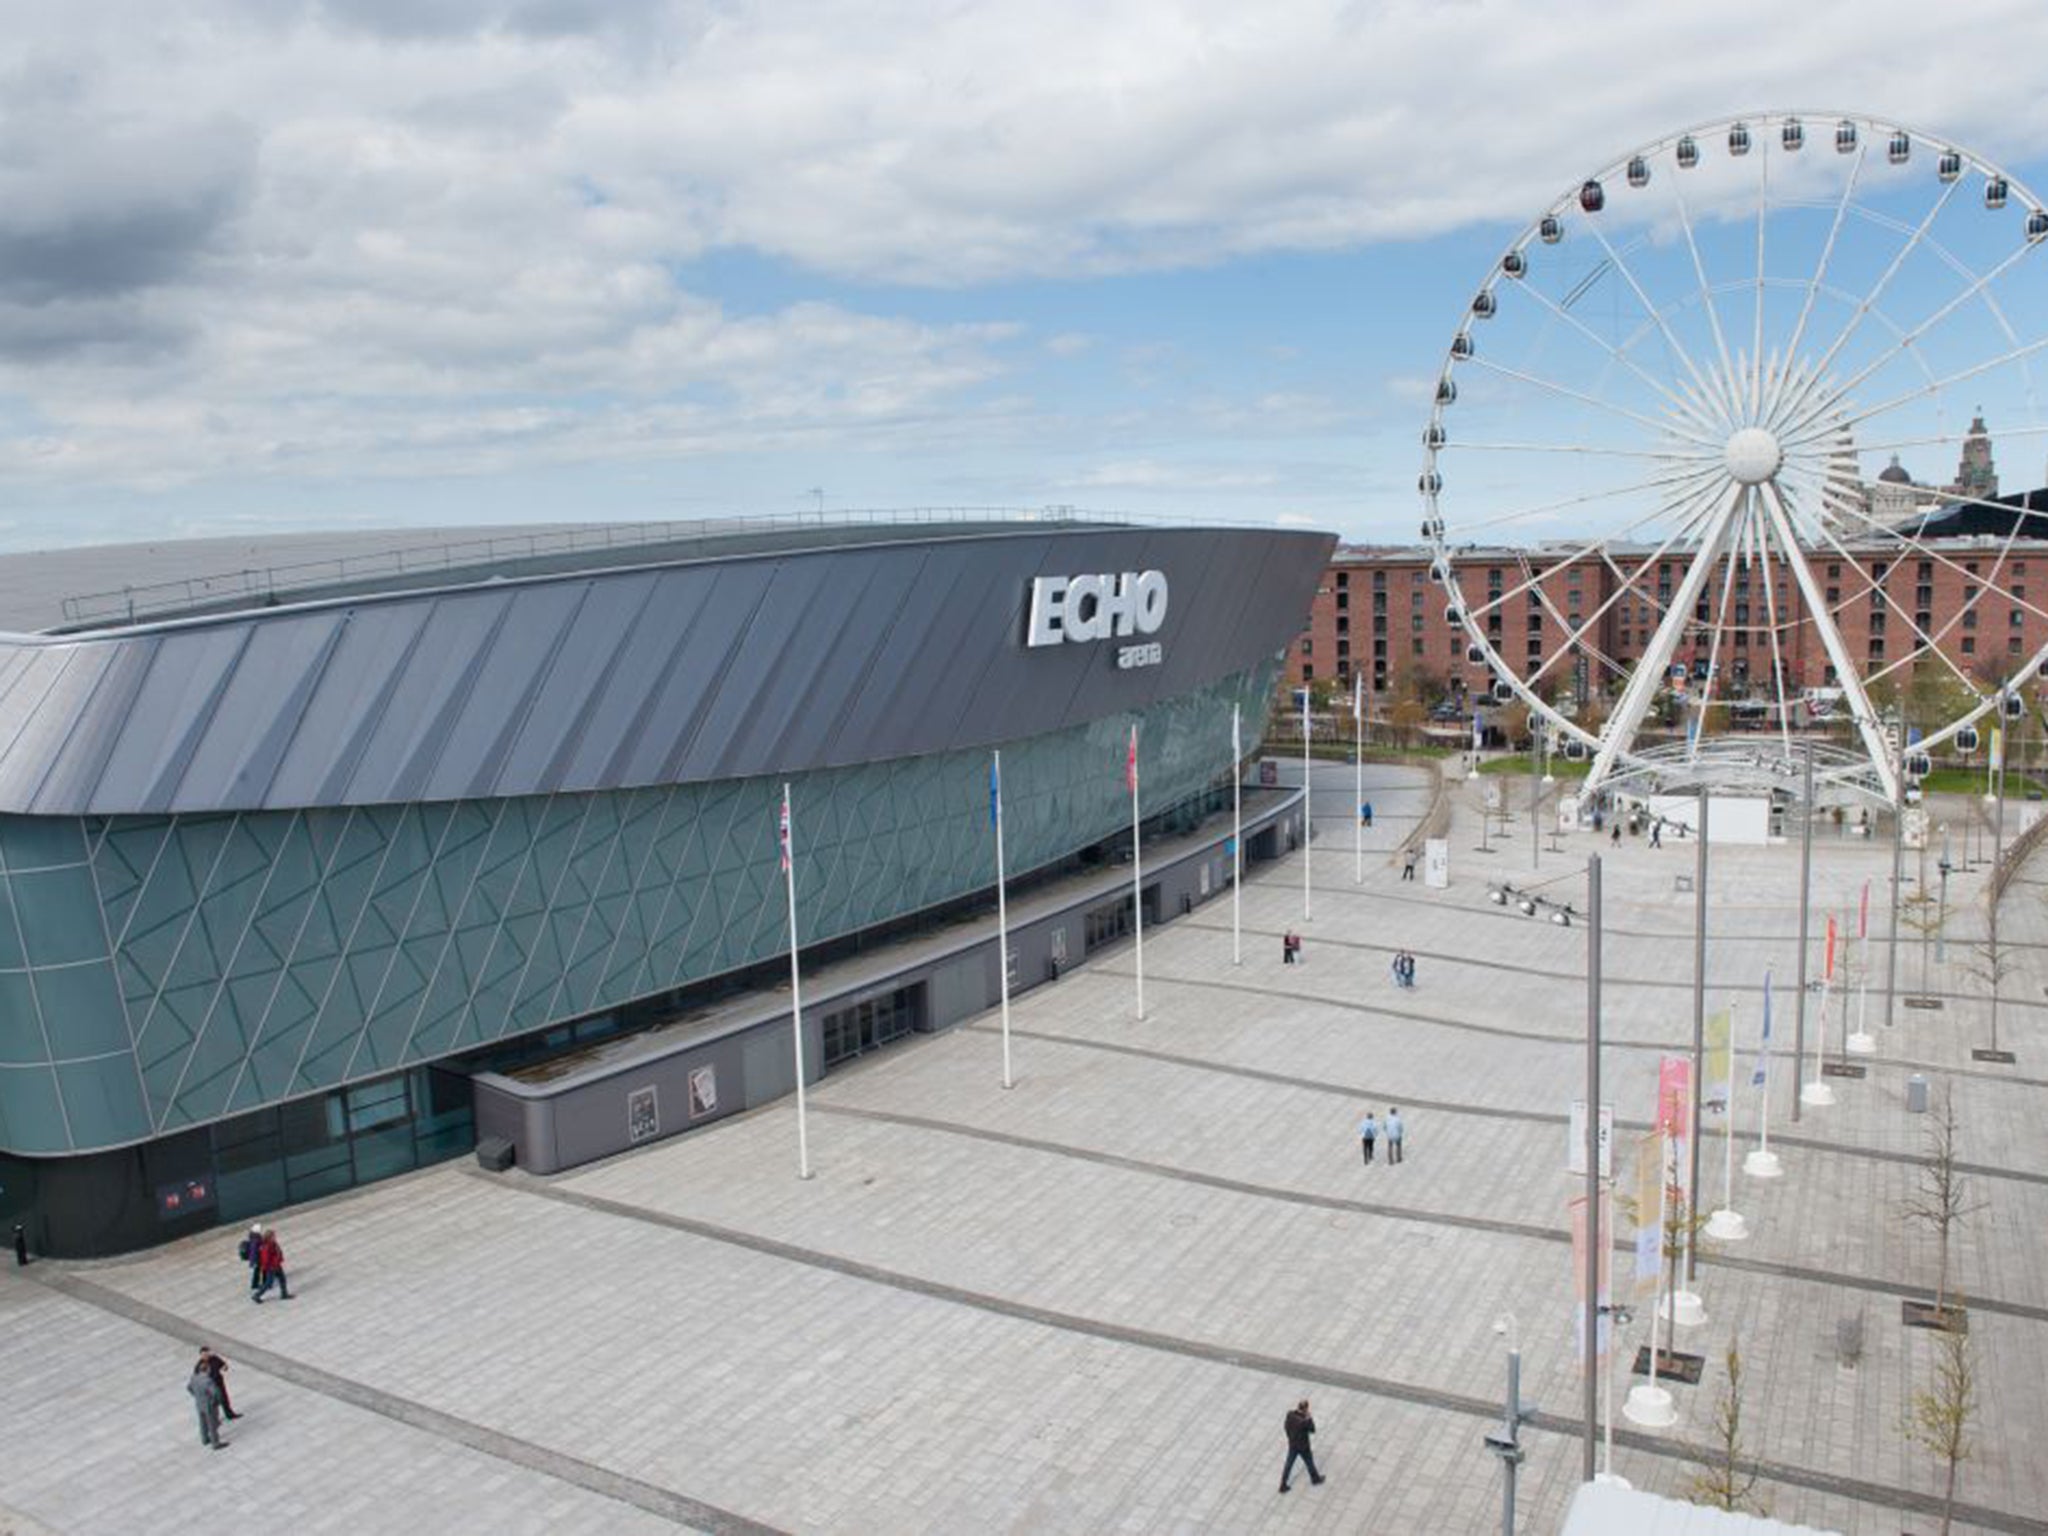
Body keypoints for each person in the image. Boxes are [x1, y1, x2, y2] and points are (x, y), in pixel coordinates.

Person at [1279, 1399, 1324, 1492]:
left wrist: (1290, 1437)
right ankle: (1315, 1479)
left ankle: (1283, 1484)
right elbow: (1312, 1430)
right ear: (1305, 1409)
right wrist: (1309, 1418)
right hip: (1303, 1446)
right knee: (1309, 1462)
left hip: (1293, 1444)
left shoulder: (1290, 1415)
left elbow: (1286, 1427)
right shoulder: (1304, 1421)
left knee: (1289, 1464)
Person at [187, 1360, 227, 1449]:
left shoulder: (194, 1377)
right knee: (212, 1424)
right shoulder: (208, 1381)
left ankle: (205, 1439)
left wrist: (196, 1396)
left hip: (199, 1404)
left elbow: (189, 1387)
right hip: (209, 1406)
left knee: (202, 1423)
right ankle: (215, 1443)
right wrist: (216, 1401)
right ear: (207, 1370)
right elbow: (215, 1393)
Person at [200, 1346, 240, 1420]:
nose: (206, 1356)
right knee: (213, 1402)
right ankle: (212, 1418)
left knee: (224, 1399)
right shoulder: (200, 1364)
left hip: (218, 1382)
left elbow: (224, 1365)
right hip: (210, 1386)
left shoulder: (214, 1359)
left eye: (207, 1354)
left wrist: (224, 1367)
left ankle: (229, 1414)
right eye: (204, 1355)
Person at [255, 1227, 291, 1302]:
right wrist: (271, 1267)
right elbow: (265, 1259)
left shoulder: (273, 1243)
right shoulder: (266, 1247)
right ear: (269, 1238)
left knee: (282, 1279)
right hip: (271, 1267)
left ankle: (284, 1294)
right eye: (273, 1236)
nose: (275, 1237)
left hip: (276, 1265)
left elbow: (278, 1252)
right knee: (268, 1283)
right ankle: (257, 1295)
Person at [239, 1223, 264, 1297]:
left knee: (257, 1271)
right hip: (257, 1259)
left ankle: (255, 1284)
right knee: (257, 1271)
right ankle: (255, 1284)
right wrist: (254, 1262)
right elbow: (254, 1251)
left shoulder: (252, 1235)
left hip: (257, 1258)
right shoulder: (255, 1238)